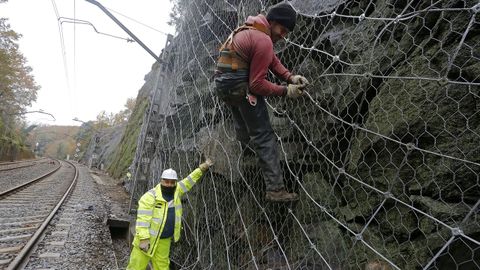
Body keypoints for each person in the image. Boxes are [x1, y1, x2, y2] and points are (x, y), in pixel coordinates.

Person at [214, 2, 308, 202]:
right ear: (273, 22)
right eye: (282, 29)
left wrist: (290, 77)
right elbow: (256, 85)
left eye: (287, 32)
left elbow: (271, 59)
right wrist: (286, 91)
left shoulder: (249, 30)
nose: (284, 35)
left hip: (224, 87)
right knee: (264, 136)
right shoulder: (263, 40)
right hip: (241, 88)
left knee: (243, 125)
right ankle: (275, 189)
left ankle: (250, 160)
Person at [126, 158, 214, 270]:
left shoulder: (177, 191)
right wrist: (143, 239)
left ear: (175, 183)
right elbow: (143, 220)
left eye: (172, 182)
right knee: (136, 266)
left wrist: (202, 168)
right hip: (147, 240)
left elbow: (189, 181)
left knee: (162, 266)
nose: (169, 184)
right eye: (166, 181)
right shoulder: (150, 197)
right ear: (161, 181)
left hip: (164, 241)